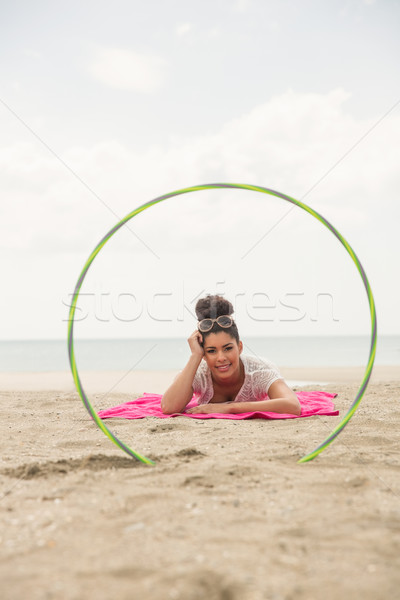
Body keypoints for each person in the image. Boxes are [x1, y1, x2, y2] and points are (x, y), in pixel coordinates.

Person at [161, 295, 301, 416]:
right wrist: (195, 356)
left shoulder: (260, 371)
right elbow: (169, 407)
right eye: (211, 351)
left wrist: (228, 407)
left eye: (227, 348)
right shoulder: (199, 373)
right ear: (204, 354)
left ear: (239, 347)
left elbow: (293, 406)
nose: (221, 358)